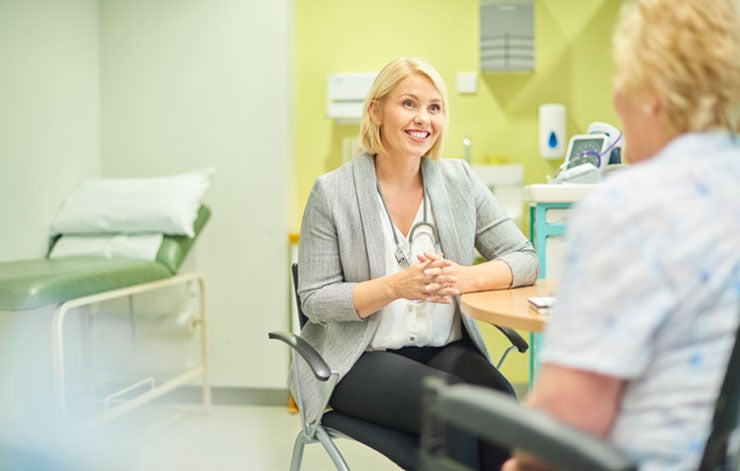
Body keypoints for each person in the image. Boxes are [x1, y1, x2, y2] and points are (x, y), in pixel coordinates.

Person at [503, 0, 740, 470]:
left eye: (622, 75)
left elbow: (566, 420)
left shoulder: (631, 207)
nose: (615, 98)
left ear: (653, 92)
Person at [293, 57, 539, 469]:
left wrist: (467, 277)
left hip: (444, 349)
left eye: (434, 107)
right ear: (376, 111)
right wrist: (395, 286)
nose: (422, 118)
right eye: (408, 103)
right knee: (451, 410)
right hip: (358, 360)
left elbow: (525, 258)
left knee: (501, 409)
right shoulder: (332, 193)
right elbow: (314, 300)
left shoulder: (460, 182)